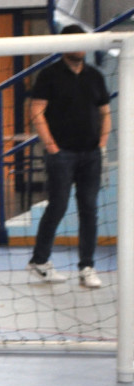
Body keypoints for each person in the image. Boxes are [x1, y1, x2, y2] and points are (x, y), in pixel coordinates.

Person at [27, 25, 111, 288]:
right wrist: (51, 146)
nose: (80, 46)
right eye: (75, 41)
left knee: (90, 210)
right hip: (61, 154)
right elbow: (36, 110)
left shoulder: (95, 76)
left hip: (90, 154)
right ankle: (40, 261)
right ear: (64, 46)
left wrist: (102, 144)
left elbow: (105, 112)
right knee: (58, 206)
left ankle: (87, 267)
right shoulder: (49, 76)